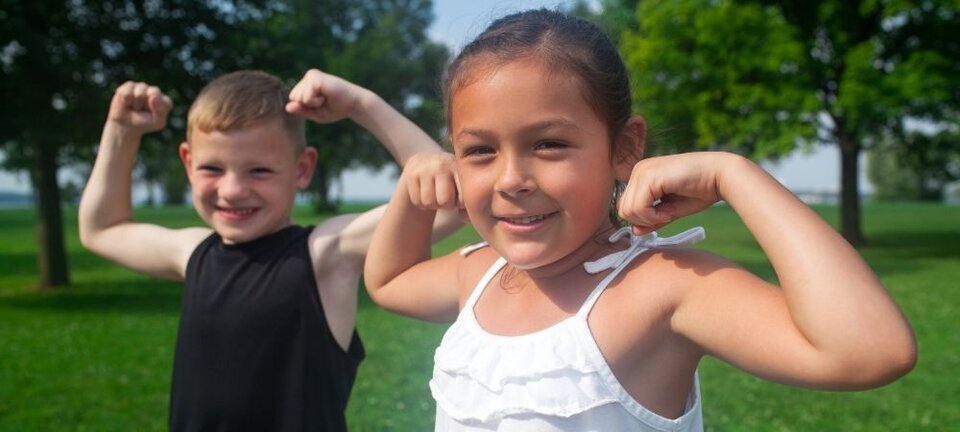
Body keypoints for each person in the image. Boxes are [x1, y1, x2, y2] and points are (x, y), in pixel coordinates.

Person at [363, 9, 917, 432]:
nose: (511, 179)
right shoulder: (479, 274)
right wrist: (411, 190)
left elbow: (869, 351)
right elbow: (388, 281)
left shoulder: (662, 288)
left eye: (549, 143)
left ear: (626, 147)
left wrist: (735, 175)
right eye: (480, 150)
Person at [78, 69, 460, 431]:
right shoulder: (193, 252)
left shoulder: (325, 254)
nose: (232, 190)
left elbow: (449, 199)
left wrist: (361, 105)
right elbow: (102, 229)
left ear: (302, 169)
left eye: (259, 170)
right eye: (212, 169)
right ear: (188, 164)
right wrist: (121, 131)